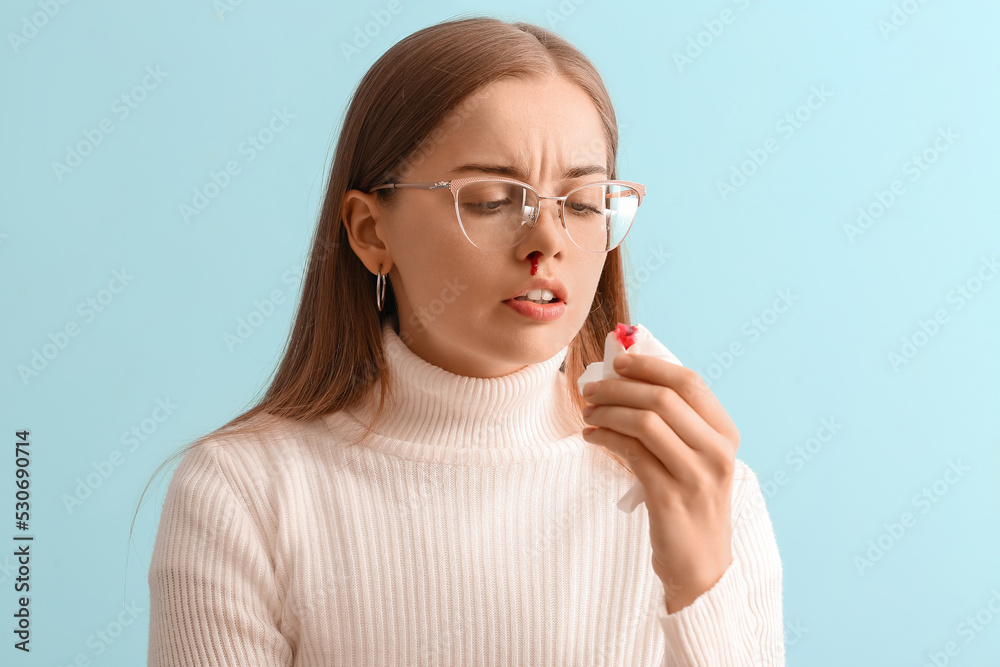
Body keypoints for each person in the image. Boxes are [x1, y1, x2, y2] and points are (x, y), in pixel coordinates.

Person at [144, 15, 785, 666]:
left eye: (585, 201)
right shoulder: (239, 494)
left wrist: (699, 577)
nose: (548, 241)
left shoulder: (711, 492)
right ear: (371, 232)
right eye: (491, 199)